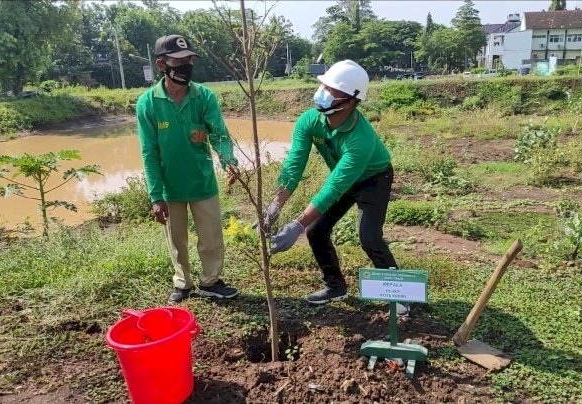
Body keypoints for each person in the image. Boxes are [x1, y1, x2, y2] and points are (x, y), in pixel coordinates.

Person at [263, 60, 409, 315]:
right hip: (345, 178)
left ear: (350, 100)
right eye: (323, 85)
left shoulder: (360, 140)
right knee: (316, 231)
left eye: (331, 89)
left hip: (374, 178)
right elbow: (294, 164)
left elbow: (335, 185)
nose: (322, 91)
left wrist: (297, 224)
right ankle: (335, 286)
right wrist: (276, 203)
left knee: (369, 236)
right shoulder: (310, 121)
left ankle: (399, 296)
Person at [136, 34, 239, 304]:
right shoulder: (148, 103)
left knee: (211, 236)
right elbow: (150, 152)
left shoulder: (203, 96)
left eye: (189, 60)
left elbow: (219, 133)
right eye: (178, 61)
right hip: (170, 188)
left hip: (202, 182)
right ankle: (183, 283)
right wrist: (156, 196)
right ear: (162, 64)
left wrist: (229, 161)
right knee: (177, 241)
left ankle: (211, 281)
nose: (186, 66)